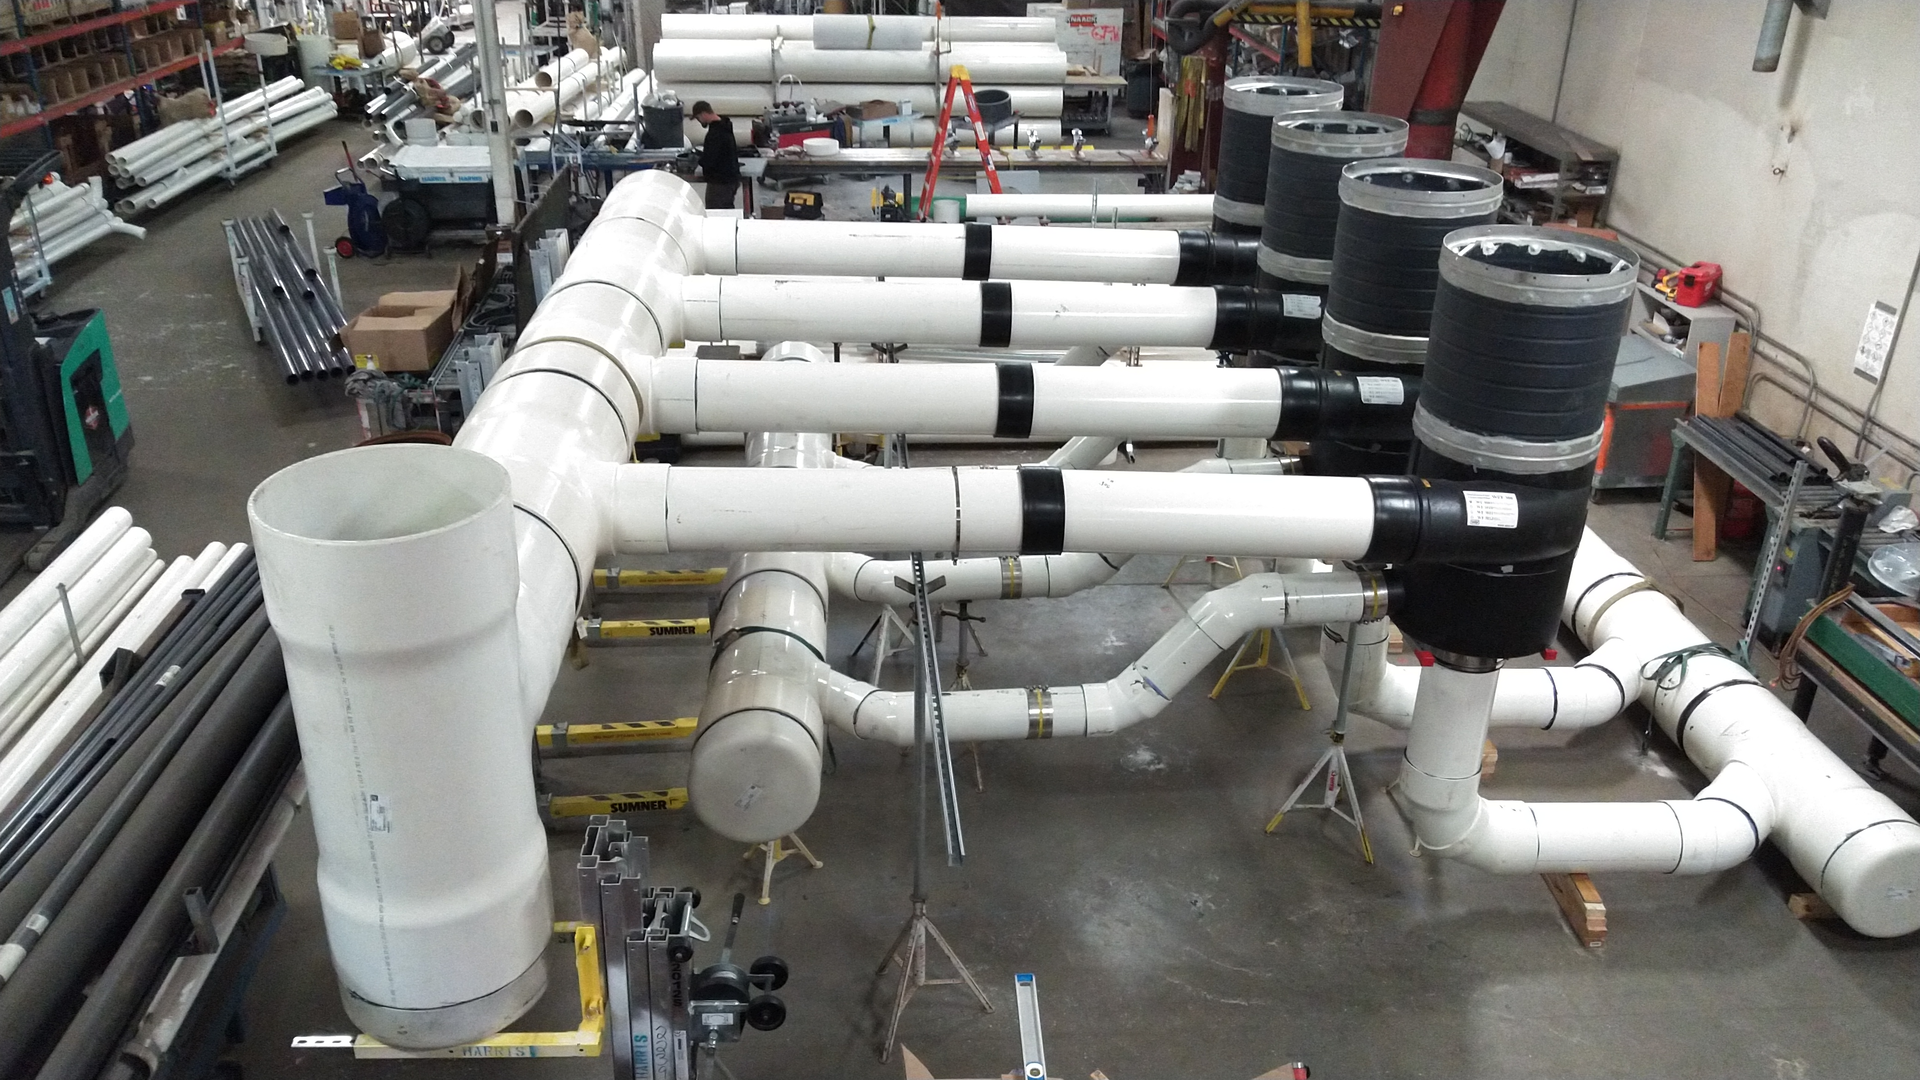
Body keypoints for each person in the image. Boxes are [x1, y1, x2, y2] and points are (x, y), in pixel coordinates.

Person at [692, 101, 741, 211]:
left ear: (703, 114)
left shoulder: (715, 133)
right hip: (730, 180)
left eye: (698, 118)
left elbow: (710, 160)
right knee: (727, 212)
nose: (699, 121)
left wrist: (698, 160)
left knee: (716, 215)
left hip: (720, 183)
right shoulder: (725, 125)